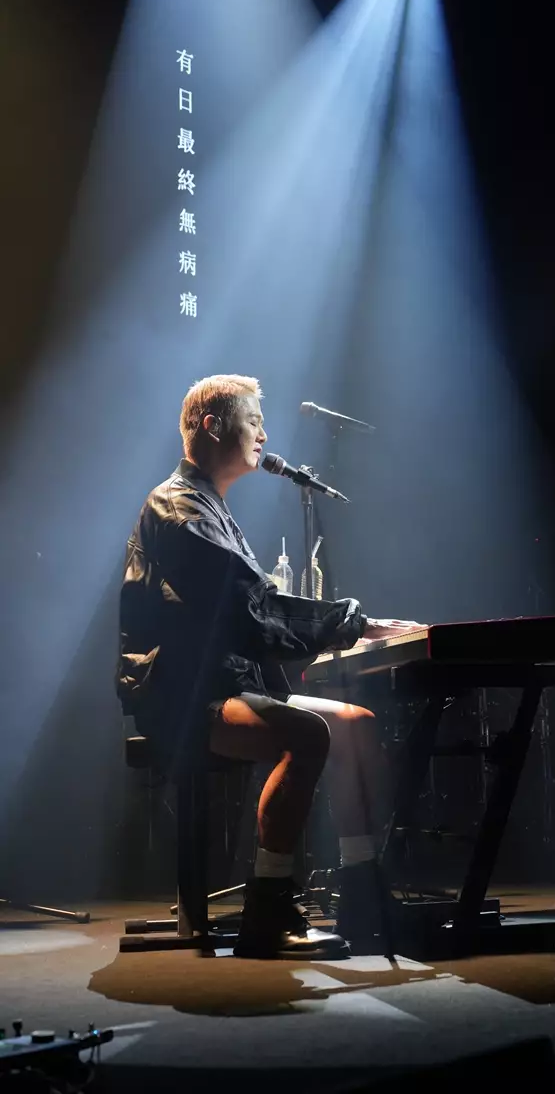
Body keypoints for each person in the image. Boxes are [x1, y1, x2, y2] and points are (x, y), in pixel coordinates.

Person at [117, 374, 417, 959]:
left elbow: (251, 609)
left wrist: (344, 625)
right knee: (306, 735)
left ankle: (361, 893)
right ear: (213, 425)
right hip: (181, 693)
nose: (264, 434)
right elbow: (248, 607)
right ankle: (267, 911)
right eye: (253, 420)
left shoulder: (210, 505)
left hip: (225, 683)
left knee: (354, 725)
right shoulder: (176, 507)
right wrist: (354, 623)